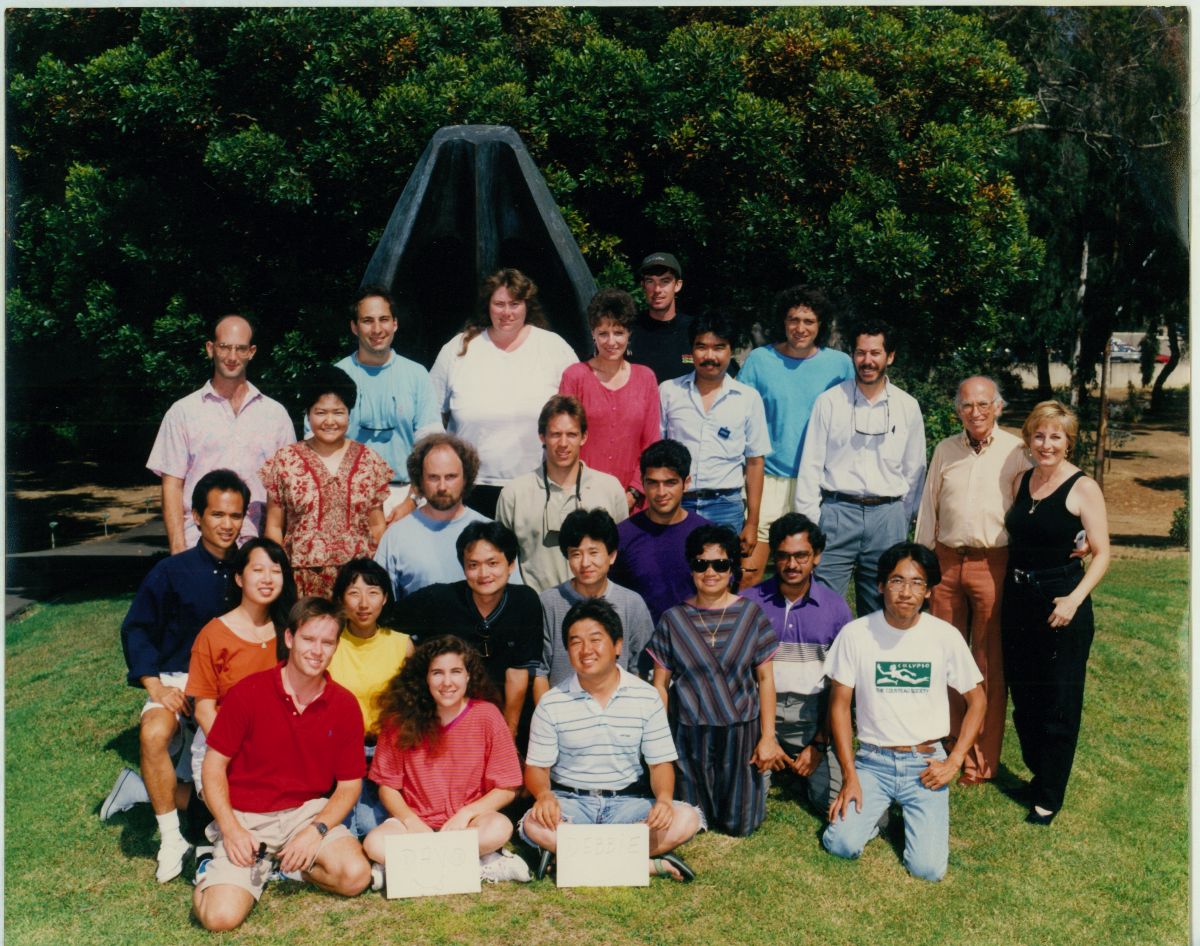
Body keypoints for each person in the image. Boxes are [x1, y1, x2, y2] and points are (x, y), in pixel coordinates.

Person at [192, 598, 372, 931]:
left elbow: (349, 786)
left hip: (305, 812)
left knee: (355, 876)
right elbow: (213, 768)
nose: (317, 650)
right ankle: (210, 867)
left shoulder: (344, 705)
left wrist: (315, 830)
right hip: (246, 817)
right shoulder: (248, 693)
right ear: (289, 638)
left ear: (336, 646)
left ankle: (286, 865)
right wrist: (231, 830)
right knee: (220, 919)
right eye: (308, 639)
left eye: (327, 642)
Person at [105, 469, 249, 884]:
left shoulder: (252, 566)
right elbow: (137, 628)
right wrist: (155, 685)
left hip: (230, 683)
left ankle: (139, 789)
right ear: (197, 517)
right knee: (153, 733)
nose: (227, 525)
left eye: (235, 515)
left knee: (228, 778)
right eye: (217, 514)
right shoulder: (171, 572)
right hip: (178, 678)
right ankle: (171, 838)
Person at [821, 543, 985, 882]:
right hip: (872, 762)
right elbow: (838, 705)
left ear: (928, 591)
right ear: (880, 585)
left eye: (917, 583)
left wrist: (953, 762)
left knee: (927, 870)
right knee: (841, 844)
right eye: (897, 581)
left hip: (925, 764)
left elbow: (978, 700)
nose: (906, 592)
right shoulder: (856, 634)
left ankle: (911, 815)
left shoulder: (944, 636)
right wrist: (850, 775)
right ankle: (877, 814)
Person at [521, 598, 702, 882]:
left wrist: (665, 800)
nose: (586, 650)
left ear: (617, 645)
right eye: (575, 642)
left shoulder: (646, 696)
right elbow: (537, 769)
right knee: (535, 824)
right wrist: (544, 796)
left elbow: (660, 765)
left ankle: (574, 858)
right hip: (571, 804)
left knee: (686, 819)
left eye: (595, 639)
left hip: (628, 805)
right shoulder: (551, 702)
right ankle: (646, 864)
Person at [914, 376, 1030, 786]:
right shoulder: (946, 449)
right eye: (967, 405)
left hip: (992, 562)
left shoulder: (1019, 450)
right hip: (945, 562)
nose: (975, 412)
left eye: (983, 404)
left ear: (998, 407)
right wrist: (923, 567)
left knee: (985, 662)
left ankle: (980, 758)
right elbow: (929, 509)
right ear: (957, 409)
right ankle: (944, 745)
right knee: (942, 657)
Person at [1002, 400, 1110, 826]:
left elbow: (1102, 554)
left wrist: (1073, 599)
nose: (1047, 444)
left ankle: (1049, 796)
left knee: (1058, 701)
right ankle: (1038, 774)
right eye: (1040, 435)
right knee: (1025, 699)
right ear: (1029, 439)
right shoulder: (1021, 480)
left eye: (1056, 437)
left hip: (1061, 601)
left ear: (1069, 442)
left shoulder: (1083, 488)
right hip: (1019, 602)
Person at [648, 525, 787, 836]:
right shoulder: (673, 619)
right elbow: (660, 685)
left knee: (741, 826)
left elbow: (765, 679)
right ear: (691, 567)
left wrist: (768, 737)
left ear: (732, 568)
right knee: (692, 822)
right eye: (701, 564)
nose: (710, 571)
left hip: (741, 731)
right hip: (690, 732)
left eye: (720, 564)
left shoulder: (751, 615)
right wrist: (657, 739)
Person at [362, 637, 530, 887]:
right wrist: (410, 821)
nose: (447, 682)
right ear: (425, 678)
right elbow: (388, 786)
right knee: (374, 844)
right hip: (414, 825)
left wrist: (466, 814)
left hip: (468, 824)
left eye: (456, 672)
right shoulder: (400, 720)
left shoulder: (487, 715)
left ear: (468, 676)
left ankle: (403, 865)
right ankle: (480, 862)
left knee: (500, 827)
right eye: (437, 673)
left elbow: (506, 787)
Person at [794, 319, 926, 616]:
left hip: (887, 517)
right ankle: (824, 662)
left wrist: (898, 518)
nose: (867, 361)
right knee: (821, 604)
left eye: (875, 353)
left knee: (883, 608)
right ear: (852, 355)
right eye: (860, 353)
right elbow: (811, 465)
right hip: (837, 514)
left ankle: (872, 664)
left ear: (889, 357)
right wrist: (811, 523)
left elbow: (914, 470)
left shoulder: (907, 406)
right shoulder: (829, 402)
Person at [429, 268, 578, 519]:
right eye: (499, 304)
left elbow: (577, 416)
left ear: (527, 306)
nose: (506, 312)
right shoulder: (456, 349)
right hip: (469, 488)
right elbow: (429, 416)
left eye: (515, 304)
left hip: (539, 486)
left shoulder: (554, 348)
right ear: (487, 306)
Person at [148, 313, 295, 553]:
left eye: (240, 348)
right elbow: (171, 486)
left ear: (252, 352)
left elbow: (283, 491)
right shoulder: (182, 413)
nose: (232, 357)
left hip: (255, 548)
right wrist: (178, 550)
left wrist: (271, 552)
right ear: (210, 348)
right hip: (196, 545)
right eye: (225, 347)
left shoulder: (276, 415)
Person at [736, 286, 853, 587]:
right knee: (748, 573)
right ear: (783, 322)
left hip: (816, 484)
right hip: (768, 479)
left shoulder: (840, 365)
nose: (800, 328)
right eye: (793, 319)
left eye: (809, 321)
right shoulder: (760, 361)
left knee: (804, 575)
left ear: (820, 325)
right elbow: (740, 415)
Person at [739, 513, 852, 814]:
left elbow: (841, 688)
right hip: (759, 714)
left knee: (838, 807)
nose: (792, 565)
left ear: (817, 557)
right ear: (774, 556)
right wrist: (765, 736)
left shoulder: (835, 608)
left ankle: (804, 765)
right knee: (744, 808)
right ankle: (771, 763)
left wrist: (818, 744)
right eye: (784, 556)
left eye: (801, 556)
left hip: (812, 717)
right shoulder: (748, 603)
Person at [392, 521, 542, 744]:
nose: (483, 574)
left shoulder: (525, 601)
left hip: (500, 716)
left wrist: (507, 736)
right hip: (442, 718)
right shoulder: (439, 598)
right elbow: (386, 623)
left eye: (493, 563)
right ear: (463, 567)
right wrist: (413, 655)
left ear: (510, 565)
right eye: (473, 565)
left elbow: (518, 675)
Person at [261, 364, 393, 597]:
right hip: (300, 581)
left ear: (349, 414)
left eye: (338, 412)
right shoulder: (285, 461)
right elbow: (273, 526)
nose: (330, 421)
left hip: (357, 584)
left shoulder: (369, 461)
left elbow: (377, 526)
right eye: (320, 412)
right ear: (308, 414)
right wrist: (277, 572)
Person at [186, 538, 297, 802]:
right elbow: (204, 711)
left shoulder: (291, 633)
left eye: (275, 571)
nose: (267, 579)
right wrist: (245, 754)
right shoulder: (213, 635)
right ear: (239, 578)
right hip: (223, 747)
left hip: (280, 745)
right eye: (258, 570)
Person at [326, 285, 443, 520]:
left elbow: (431, 446)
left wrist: (412, 501)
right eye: (368, 321)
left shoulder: (417, 375)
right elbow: (319, 447)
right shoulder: (336, 377)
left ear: (395, 324)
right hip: (349, 499)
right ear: (354, 327)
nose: (377, 329)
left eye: (384, 319)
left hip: (408, 497)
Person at [659, 311, 770, 555]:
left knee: (720, 582)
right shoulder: (668, 392)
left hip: (726, 507)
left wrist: (752, 523)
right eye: (701, 347)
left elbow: (754, 463)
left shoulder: (748, 399)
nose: (709, 356)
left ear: (731, 351)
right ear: (692, 351)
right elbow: (655, 454)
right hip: (677, 504)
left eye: (719, 347)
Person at [496, 395, 628, 593]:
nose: (563, 443)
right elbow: (501, 559)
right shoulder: (514, 494)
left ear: (584, 437)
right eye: (555, 434)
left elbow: (621, 556)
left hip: (596, 611)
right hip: (536, 611)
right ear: (542, 436)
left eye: (572, 434)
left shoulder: (609, 488)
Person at [328, 559, 415, 838]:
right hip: (339, 755)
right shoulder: (328, 643)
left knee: (371, 828)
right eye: (354, 593)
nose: (363, 603)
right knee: (347, 831)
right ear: (341, 598)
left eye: (373, 592)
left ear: (386, 597)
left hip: (385, 754)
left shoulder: (401, 644)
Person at [559, 288, 660, 513]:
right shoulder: (574, 376)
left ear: (629, 334)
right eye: (603, 333)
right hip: (581, 499)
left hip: (633, 502)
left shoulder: (646, 378)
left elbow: (651, 443)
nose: (611, 341)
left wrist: (633, 494)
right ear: (592, 333)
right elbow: (563, 439)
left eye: (619, 332)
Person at [533, 508, 654, 697]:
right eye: (576, 554)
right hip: (562, 712)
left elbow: (641, 668)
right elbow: (539, 671)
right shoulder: (547, 602)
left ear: (612, 556)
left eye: (593, 552)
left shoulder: (632, 603)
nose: (585, 563)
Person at [373, 433, 495, 601]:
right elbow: (380, 601)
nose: (442, 486)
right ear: (420, 481)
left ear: (466, 478)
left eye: (451, 477)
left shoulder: (491, 532)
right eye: (433, 477)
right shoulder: (395, 537)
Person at [609, 440, 712, 625]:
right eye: (653, 483)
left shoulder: (709, 536)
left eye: (670, 482)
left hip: (696, 643)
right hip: (641, 646)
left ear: (686, 483)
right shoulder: (622, 536)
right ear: (642, 483)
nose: (661, 492)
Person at [627, 252, 693, 383]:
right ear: (643, 286)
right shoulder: (627, 330)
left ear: (678, 285)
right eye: (650, 281)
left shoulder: (694, 330)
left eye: (665, 281)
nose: (657, 289)